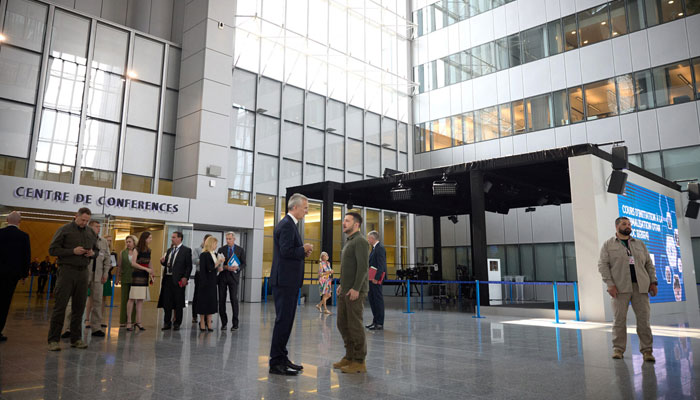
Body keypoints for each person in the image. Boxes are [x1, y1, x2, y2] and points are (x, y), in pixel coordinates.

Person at [598, 216, 657, 362]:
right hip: (620, 288)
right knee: (619, 320)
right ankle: (618, 349)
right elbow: (603, 265)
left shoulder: (640, 244)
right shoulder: (608, 245)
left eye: (629, 224)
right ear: (617, 227)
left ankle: (647, 351)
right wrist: (610, 284)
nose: (628, 226)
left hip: (641, 287)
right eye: (624, 224)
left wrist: (653, 282)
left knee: (644, 320)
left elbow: (649, 264)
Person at [269, 193, 313, 376]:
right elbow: (287, 251)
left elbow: (287, 251)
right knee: (283, 321)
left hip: (288, 281)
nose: (307, 210)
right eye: (305, 207)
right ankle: (276, 362)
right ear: (294, 207)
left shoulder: (289, 224)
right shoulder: (287, 225)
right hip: (286, 281)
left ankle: (281, 357)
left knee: (286, 322)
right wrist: (302, 249)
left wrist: (301, 252)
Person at [47, 208, 98, 351]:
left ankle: (76, 339)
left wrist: (92, 254)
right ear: (76, 216)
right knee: (60, 306)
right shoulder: (64, 230)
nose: (84, 223)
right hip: (66, 272)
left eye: (87, 221)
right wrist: (72, 251)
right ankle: (53, 340)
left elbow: (97, 250)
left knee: (79, 307)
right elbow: (52, 250)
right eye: (82, 220)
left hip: (83, 273)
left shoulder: (90, 232)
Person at [333, 212, 370, 374]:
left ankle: (359, 361)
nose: (343, 223)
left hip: (355, 291)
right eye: (344, 220)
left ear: (356, 224)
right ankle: (349, 356)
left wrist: (356, 288)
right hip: (346, 290)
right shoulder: (350, 241)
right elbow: (348, 267)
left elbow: (363, 267)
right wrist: (342, 284)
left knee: (355, 325)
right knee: (342, 323)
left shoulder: (361, 241)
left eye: (347, 221)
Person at [0, 211, 31, 342]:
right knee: (4, 303)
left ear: (7, 220)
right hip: (11, 275)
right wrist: (24, 274)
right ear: (20, 222)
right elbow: (26, 256)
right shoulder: (23, 236)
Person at [158, 231, 193, 331]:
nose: (172, 239)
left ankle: (177, 323)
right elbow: (168, 264)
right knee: (167, 302)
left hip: (178, 280)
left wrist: (185, 277)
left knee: (178, 302)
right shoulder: (169, 250)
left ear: (180, 238)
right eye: (172, 237)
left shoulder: (186, 250)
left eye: (174, 237)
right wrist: (163, 263)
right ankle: (167, 322)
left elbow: (188, 266)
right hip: (168, 278)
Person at [217, 232, 246, 331]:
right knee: (221, 300)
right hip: (223, 277)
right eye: (227, 239)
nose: (228, 240)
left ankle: (235, 324)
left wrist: (237, 268)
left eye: (230, 239)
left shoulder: (240, 250)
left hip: (234, 278)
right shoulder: (221, 250)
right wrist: (225, 267)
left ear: (234, 239)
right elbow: (218, 265)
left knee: (234, 299)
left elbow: (244, 264)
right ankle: (224, 323)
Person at [126, 232, 154, 332]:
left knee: (141, 300)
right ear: (145, 238)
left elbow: (149, 262)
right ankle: (129, 322)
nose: (151, 239)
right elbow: (133, 263)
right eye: (149, 238)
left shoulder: (149, 250)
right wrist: (146, 269)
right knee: (132, 298)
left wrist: (152, 272)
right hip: (137, 276)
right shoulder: (136, 249)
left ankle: (139, 321)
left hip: (145, 277)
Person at [195, 236, 223, 331]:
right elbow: (209, 268)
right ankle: (202, 322)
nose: (216, 246)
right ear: (211, 244)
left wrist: (219, 266)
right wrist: (218, 263)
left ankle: (209, 322)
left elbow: (214, 268)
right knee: (203, 302)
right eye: (215, 244)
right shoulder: (204, 255)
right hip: (204, 282)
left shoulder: (214, 254)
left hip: (212, 281)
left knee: (211, 302)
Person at [366, 231, 386, 331]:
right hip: (371, 279)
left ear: (373, 238)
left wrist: (376, 278)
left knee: (378, 300)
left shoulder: (380, 248)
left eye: (369, 238)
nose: (368, 240)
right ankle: (375, 321)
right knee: (372, 300)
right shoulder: (374, 249)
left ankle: (379, 323)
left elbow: (381, 265)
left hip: (376, 280)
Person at [117, 235, 138, 327]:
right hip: (125, 277)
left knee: (133, 299)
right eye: (127, 242)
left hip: (135, 279)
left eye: (130, 242)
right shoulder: (123, 252)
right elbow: (119, 266)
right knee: (124, 299)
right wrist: (117, 277)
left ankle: (132, 320)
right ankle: (123, 320)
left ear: (134, 242)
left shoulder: (137, 252)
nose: (128, 244)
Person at [191, 234, 212, 324]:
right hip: (199, 274)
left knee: (207, 296)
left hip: (209, 275)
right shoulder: (197, 249)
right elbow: (194, 260)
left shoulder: (212, 250)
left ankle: (207, 317)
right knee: (197, 295)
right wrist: (204, 260)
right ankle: (195, 316)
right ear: (204, 240)